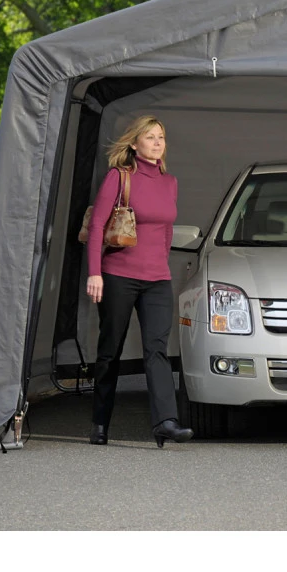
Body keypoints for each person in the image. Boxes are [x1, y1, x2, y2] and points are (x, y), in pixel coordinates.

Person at [85, 115, 193, 448]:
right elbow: (97, 227)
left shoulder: (170, 182)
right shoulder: (119, 177)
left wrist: (162, 265)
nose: (157, 143)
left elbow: (166, 231)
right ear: (134, 144)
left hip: (157, 279)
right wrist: (95, 273)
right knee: (110, 351)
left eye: (161, 137)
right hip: (118, 276)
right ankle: (100, 422)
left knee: (157, 350)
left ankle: (166, 422)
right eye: (150, 137)